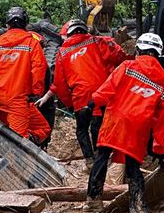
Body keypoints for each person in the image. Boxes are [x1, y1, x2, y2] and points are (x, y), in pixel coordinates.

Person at [85, 33, 164, 213]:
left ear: (138, 50)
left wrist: (92, 104)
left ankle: (93, 200)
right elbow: (160, 118)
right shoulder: (162, 86)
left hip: (116, 120)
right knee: (133, 167)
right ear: (158, 54)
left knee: (102, 157)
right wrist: (159, 145)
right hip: (138, 128)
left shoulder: (127, 67)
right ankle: (138, 210)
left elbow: (108, 89)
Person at [37, 19, 129, 166]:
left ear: (70, 33)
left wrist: (70, 104)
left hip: (80, 97)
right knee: (98, 126)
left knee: (81, 130)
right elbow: (119, 56)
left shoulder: (63, 52)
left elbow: (60, 84)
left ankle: (89, 161)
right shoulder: (98, 42)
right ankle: (102, 158)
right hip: (102, 94)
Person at [0, 7, 50, 145]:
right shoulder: (31, 44)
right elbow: (39, 69)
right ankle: (18, 163)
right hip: (17, 99)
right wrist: (36, 93)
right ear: (26, 24)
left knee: (2, 134)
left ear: (7, 24)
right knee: (19, 141)